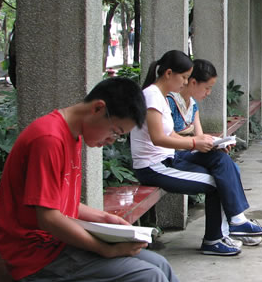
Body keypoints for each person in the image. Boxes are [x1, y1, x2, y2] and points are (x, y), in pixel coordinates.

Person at [0, 77, 179, 282]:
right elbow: (48, 218)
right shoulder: (48, 139)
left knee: (159, 264)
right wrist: (105, 249)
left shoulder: (72, 135)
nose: (111, 141)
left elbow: (58, 203)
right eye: (115, 131)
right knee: (149, 276)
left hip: (59, 245)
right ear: (98, 108)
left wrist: (105, 219)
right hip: (36, 256)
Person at [130, 50, 262, 257]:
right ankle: (215, 238)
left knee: (220, 159)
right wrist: (195, 142)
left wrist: (209, 143)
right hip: (154, 167)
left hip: (170, 159)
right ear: (169, 74)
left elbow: (171, 136)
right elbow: (158, 138)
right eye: (184, 78)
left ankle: (235, 222)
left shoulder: (160, 96)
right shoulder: (152, 96)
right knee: (216, 183)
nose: (184, 83)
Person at [166, 58, 262, 246]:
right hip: (175, 154)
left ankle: (233, 225)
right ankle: (235, 223)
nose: (209, 93)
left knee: (223, 162)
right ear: (192, 82)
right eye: (207, 88)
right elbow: (170, 139)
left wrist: (215, 144)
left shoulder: (192, 105)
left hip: (188, 151)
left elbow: (200, 136)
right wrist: (195, 143)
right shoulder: (169, 102)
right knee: (223, 172)